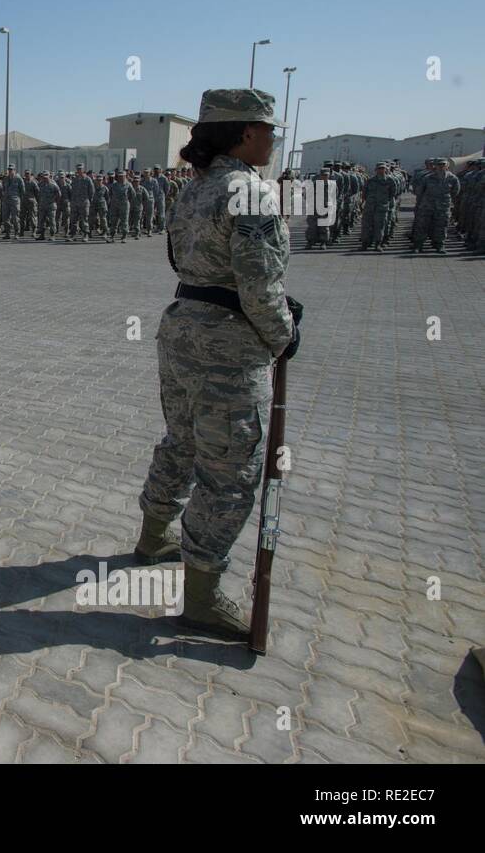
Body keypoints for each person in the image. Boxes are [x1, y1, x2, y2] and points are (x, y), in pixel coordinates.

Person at [135, 89, 300, 640]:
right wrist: (282, 336)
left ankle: (153, 535)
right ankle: (202, 599)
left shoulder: (197, 189)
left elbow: (181, 260)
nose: (274, 140)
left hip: (182, 324)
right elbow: (259, 281)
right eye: (268, 131)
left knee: (180, 440)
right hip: (228, 344)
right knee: (230, 473)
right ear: (244, 133)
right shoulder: (250, 191)